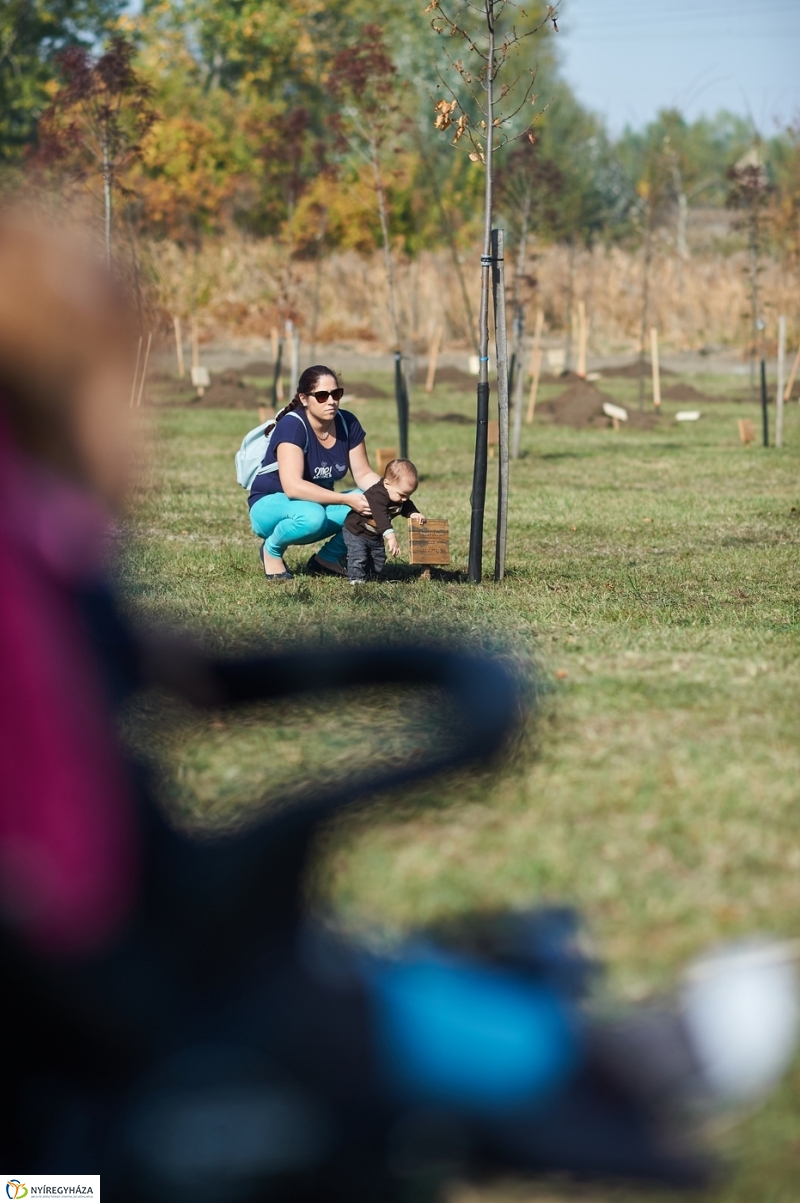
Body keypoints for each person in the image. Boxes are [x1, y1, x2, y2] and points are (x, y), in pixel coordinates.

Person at [247, 365, 379, 580]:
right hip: (270, 505)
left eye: (336, 394)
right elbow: (293, 487)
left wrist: (390, 492)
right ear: (304, 398)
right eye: (322, 396)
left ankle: (328, 559)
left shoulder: (348, 423)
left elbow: (363, 474)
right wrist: (345, 500)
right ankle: (271, 550)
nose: (331, 401)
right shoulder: (293, 425)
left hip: (316, 503)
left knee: (375, 502)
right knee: (312, 517)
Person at [343, 457, 426, 584]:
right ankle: (356, 579)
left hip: (374, 534)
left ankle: (372, 577)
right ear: (387, 484)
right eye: (402, 495)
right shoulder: (377, 495)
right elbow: (380, 516)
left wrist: (413, 513)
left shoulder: (397, 495)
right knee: (358, 556)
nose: (404, 499)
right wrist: (391, 538)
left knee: (378, 557)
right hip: (357, 530)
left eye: (408, 495)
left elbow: (406, 505)